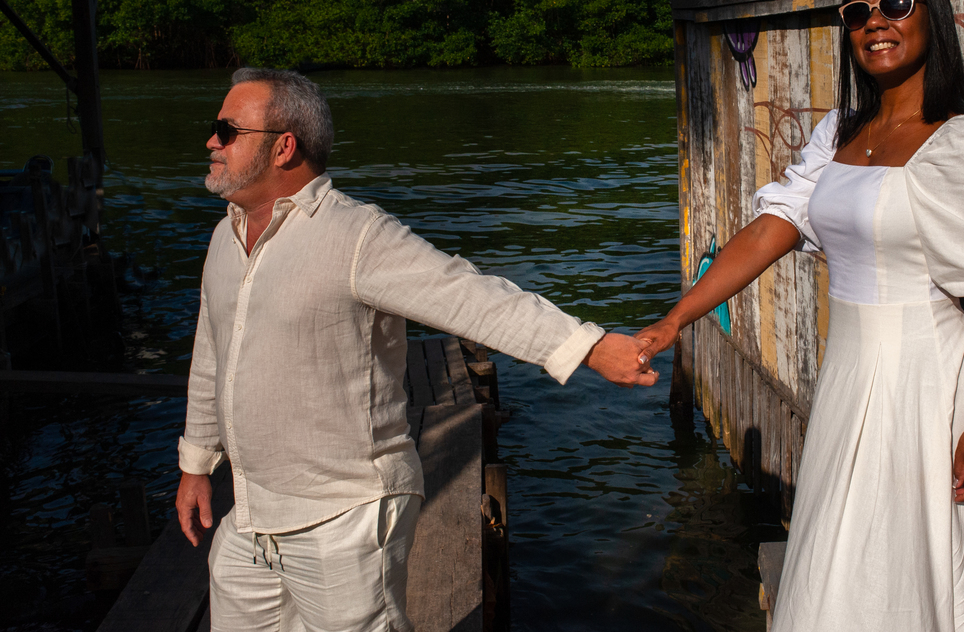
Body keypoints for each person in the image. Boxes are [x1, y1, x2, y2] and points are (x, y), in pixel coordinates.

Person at [636, 0, 964, 630]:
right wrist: (677, 316)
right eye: (857, 14)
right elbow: (774, 228)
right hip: (851, 381)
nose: (874, 24)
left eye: (896, 7)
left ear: (932, 17)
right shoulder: (841, 133)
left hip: (928, 387)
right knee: (842, 560)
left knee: (923, 563)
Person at [175, 67, 657, 632]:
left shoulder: (356, 237)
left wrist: (590, 346)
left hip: (344, 519)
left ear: (283, 147)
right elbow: (212, 352)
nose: (212, 141)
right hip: (250, 514)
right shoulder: (224, 236)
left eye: (227, 130)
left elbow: (470, 297)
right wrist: (196, 463)